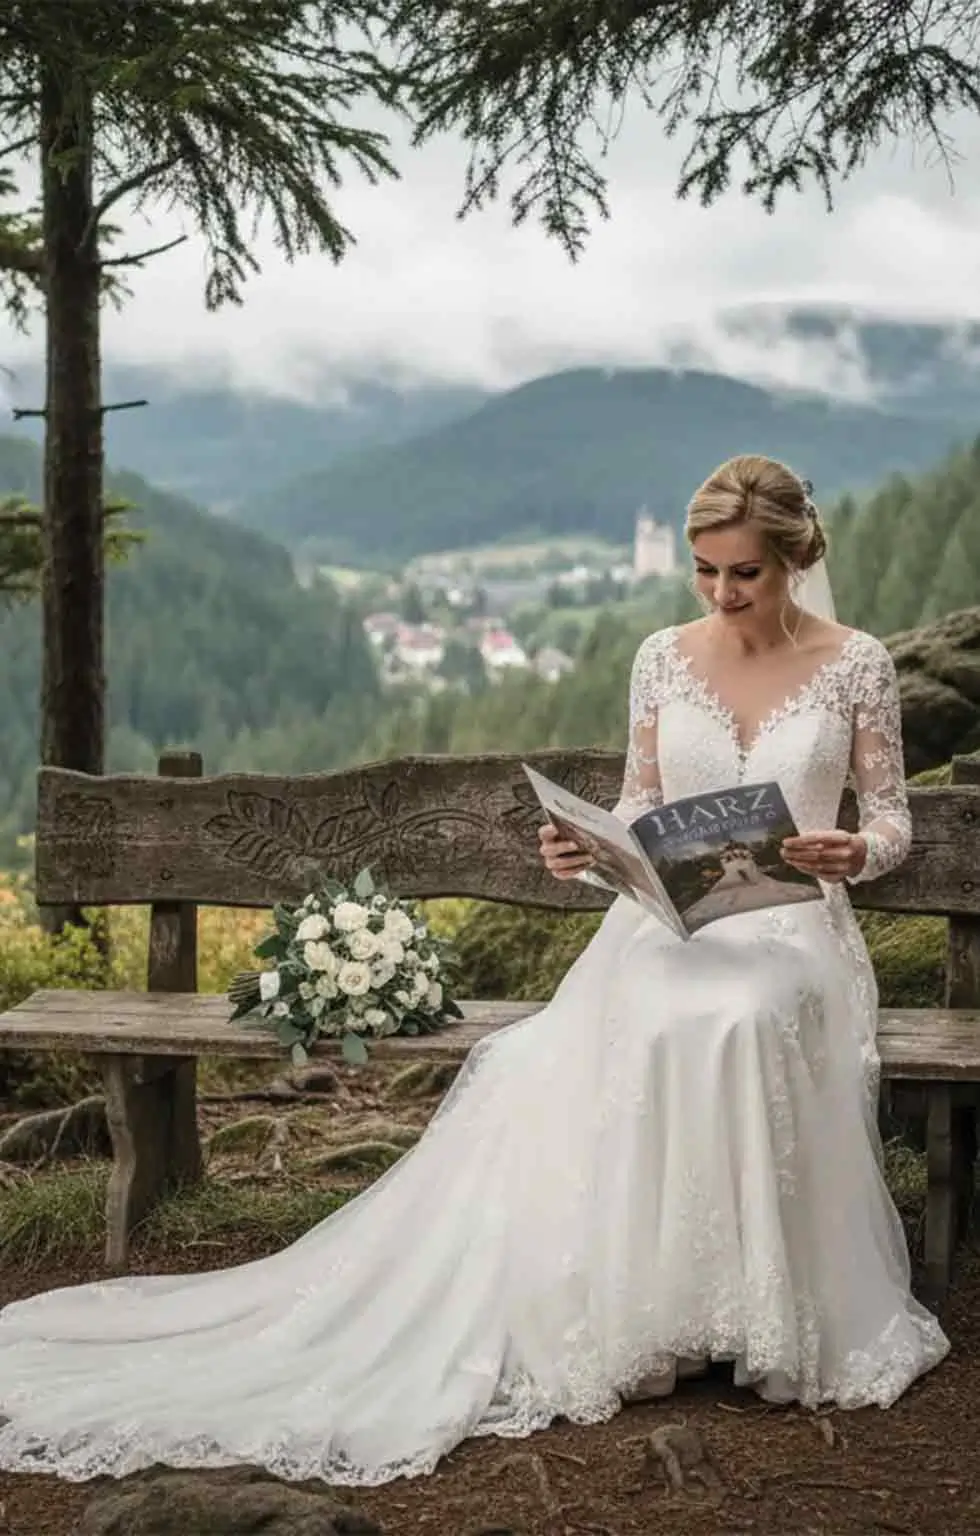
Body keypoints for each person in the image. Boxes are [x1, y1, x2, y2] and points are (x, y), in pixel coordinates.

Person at [0, 455, 948, 1489]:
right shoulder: (661, 658)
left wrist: (854, 853)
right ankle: (647, 1311)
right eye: (704, 572)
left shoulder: (853, 663)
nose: (721, 595)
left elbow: (890, 815)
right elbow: (637, 800)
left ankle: (760, 1311)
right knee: (630, 1021)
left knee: (739, 1019)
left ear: (792, 563)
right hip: (665, 930)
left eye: (743, 575)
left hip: (791, 930)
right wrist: (590, 850)